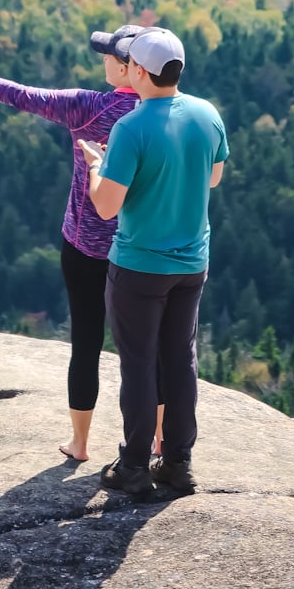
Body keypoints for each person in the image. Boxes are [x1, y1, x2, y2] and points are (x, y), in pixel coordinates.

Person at [0, 25, 162, 462]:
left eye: (107, 56)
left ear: (127, 67)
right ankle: (159, 439)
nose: (101, 60)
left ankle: (80, 444)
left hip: (86, 248)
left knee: (86, 344)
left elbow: (18, 94)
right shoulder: (162, 112)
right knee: (145, 349)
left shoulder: (88, 107)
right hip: (142, 250)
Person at [78, 25, 227, 498]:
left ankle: (134, 466)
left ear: (138, 71)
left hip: (140, 265)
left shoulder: (131, 127)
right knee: (180, 359)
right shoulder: (207, 114)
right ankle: (178, 464)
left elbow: (106, 206)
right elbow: (214, 178)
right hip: (192, 263)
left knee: (139, 363)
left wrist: (97, 165)